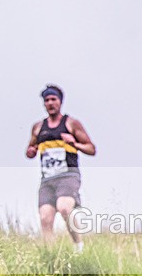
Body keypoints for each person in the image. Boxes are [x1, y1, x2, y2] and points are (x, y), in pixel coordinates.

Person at [26, 85, 96, 252]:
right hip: (47, 178)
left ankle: (78, 246)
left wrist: (74, 143)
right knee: (45, 218)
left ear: (60, 102)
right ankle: (51, 257)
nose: (50, 103)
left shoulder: (71, 123)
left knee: (65, 208)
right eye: (47, 100)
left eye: (53, 100)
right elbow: (30, 150)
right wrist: (31, 151)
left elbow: (91, 149)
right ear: (44, 104)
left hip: (68, 175)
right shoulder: (38, 127)